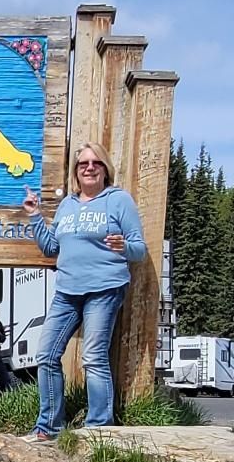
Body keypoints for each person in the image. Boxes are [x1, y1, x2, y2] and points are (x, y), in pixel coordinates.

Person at [23, 142, 147, 441]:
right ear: (76, 172)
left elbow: (139, 249)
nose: (89, 168)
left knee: (93, 356)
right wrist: (35, 216)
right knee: (46, 355)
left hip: (104, 288)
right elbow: (51, 247)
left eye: (96, 163)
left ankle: (98, 427)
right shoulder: (67, 205)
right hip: (67, 290)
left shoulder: (118, 200)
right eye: (83, 164)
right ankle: (48, 427)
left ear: (105, 169)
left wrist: (123, 246)